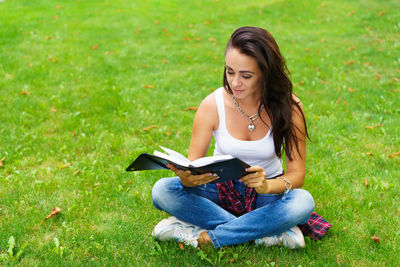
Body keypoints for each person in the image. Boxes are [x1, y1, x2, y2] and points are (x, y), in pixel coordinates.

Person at [151, 26, 321, 249]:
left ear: (265, 74)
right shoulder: (212, 105)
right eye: (230, 72)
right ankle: (267, 232)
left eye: (246, 75)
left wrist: (267, 186)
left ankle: (215, 235)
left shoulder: (290, 107)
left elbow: (297, 175)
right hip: (218, 190)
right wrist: (187, 178)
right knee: (162, 190)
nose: (235, 83)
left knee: (303, 202)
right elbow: (193, 164)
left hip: (266, 195)